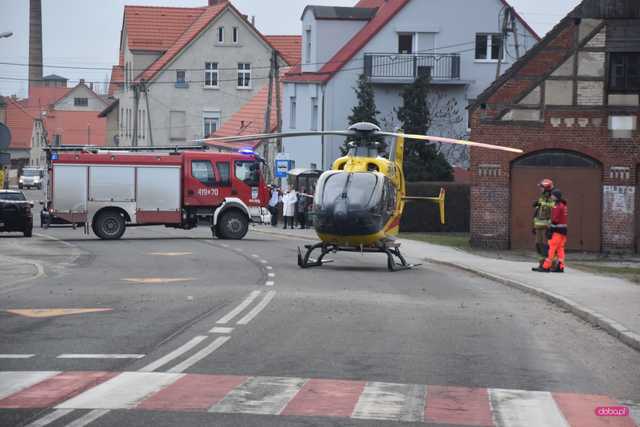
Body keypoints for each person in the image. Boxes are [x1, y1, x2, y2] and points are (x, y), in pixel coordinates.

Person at [533, 189, 568, 273]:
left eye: (552, 195)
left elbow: (555, 220)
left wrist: (550, 230)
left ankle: (546, 267)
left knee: (551, 249)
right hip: (563, 231)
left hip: (557, 231)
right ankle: (560, 266)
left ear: (556, 197)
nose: (551, 197)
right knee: (560, 249)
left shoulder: (557, 206)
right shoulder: (563, 205)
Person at [532, 179, 555, 268]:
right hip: (538, 226)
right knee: (538, 245)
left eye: (541, 187)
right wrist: (533, 226)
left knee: (546, 246)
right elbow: (537, 212)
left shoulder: (551, 198)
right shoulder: (542, 197)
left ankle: (549, 264)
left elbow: (553, 208)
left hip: (546, 226)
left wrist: (550, 227)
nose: (540, 189)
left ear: (546, 188)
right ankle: (541, 264)